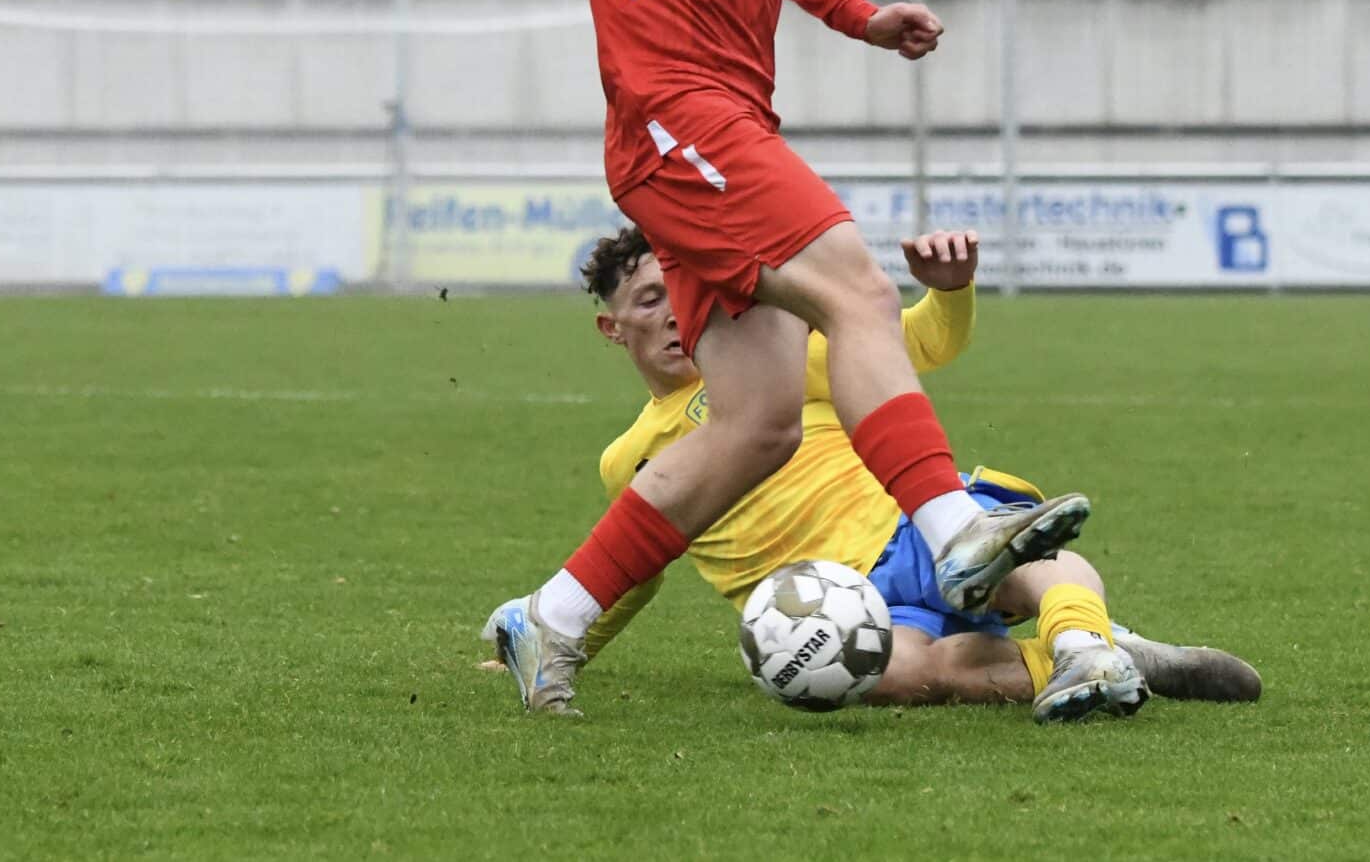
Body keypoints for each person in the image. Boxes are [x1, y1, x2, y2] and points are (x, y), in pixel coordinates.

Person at [236, 0, 1089, 715]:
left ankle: (551, 619)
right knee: (862, 290)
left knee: (759, 423)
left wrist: (859, 18)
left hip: (728, 125)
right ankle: (956, 533)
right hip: (674, 120)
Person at [506, 222, 1262, 723]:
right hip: (842, 609)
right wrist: (560, 637)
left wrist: (952, 290)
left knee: (1029, 562)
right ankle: (1096, 656)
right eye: (649, 302)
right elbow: (632, 573)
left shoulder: (776, 365)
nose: (676, 316)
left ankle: (1084, 643)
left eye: (685, 295)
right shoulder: (629, 458)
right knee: (899, 677)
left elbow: (919, 344)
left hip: (907, 532)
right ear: (613, 328)